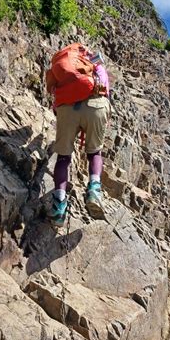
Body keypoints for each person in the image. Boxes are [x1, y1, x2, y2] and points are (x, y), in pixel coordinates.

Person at [46, 44, 110, 226]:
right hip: (96, 103)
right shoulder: (93, 61)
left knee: (63, 158)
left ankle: (59, 205)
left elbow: (55, 95)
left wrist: (63, 112)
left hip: (66, 108)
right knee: (94, 153)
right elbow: (104, 83)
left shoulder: (62, 67)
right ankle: (94, 190)